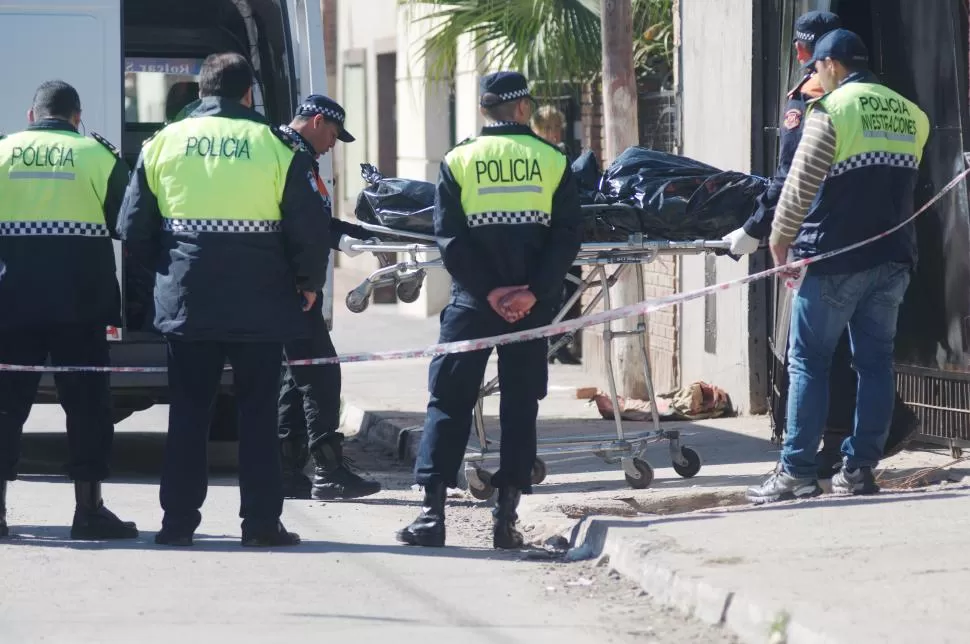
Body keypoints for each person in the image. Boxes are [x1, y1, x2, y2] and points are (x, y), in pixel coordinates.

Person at [117, 53, 330, 546]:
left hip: (189, 301)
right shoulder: (276, 146)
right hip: (261, 301)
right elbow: (308, 227)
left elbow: (133, 230)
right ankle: (259, 525)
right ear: (249, 93)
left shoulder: (162, 143)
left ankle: (177, 526)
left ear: (200, 91)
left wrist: (170, 273)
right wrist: (307, 282)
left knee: (189, 414)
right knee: (257, 416)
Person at [723, 11, 918, 480]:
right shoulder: (910, 113)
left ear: (830, 64)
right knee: (874, 364)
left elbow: (799, 184)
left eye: (818, 68)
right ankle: (860, 469)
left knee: (807, 361)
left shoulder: (829, 110)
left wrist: (777, 241)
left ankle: (796, 472)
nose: (813, 76)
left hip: (832, 256)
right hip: (894, 258)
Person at [396, 71, 582, 549]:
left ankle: (431, 515)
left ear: (485, 111)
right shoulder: (553, 159)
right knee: (520, 406)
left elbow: (450, 240)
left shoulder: (458, 160)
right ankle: (506, 518)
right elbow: (565, 238)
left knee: (449, 402)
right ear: (522, 109)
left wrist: (489, 293)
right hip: (531, 308)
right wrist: (531, 294)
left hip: (472, 305)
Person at [0, 80, 138, 540]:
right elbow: (129, 223)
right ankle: (89, 510)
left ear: (31, 115)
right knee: (87, 408)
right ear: (77, 117)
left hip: (10, 306)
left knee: (3, 406)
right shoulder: (96, 155)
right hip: (81, 306)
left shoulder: (4, 151)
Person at [274, 95, 383, 500]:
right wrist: (307, 282)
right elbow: (300, 224)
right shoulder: (293, 156)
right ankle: (329, 472)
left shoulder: (293, 153)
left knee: (296, 376)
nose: (334, 144)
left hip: (282, 282)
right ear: (317, 121)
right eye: (334, 134)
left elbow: (315, 220)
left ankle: (285, 471)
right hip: (290, 284)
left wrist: (352, 235)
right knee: (321, 372)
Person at [530, 104, 582, 365]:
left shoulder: (560, 154)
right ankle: (550, 343)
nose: (554, 134)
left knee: (569, 289)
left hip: (556, 231)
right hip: (544, 232)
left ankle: (558, 342)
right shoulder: (539, 155)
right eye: (548, 128)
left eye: (556, 129)